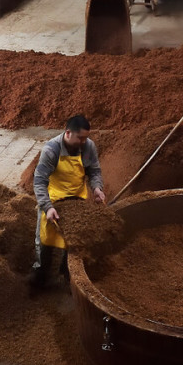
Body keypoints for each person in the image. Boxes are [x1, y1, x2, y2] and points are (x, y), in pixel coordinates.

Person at [30, 115, 105, 289]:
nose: (84, 141)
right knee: (44, 240)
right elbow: (39, 181)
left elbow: (94, 171)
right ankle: (40, 276)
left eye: (86, 137)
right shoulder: (51, 150)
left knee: (73, 243)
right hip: (54, 200)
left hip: (77, 200)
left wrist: (97, 189)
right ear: (68, 133)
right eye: (80, 137)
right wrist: (47, 208)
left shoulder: (88, 146)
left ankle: (67, 276)